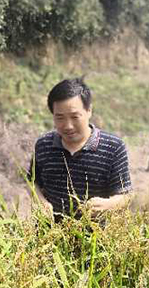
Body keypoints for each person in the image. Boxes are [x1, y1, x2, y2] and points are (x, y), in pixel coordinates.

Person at [28, 78, 132, 218]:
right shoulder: (44, 144)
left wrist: (109, 204)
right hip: (49, 230)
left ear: (89, 111)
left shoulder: (113, 147)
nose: (68, 126)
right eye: (60, 118)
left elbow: (126, 195)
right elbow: (32, 182)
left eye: (75, 117)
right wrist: (40, 202)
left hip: (95, 231)